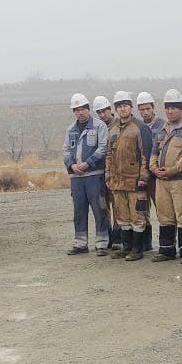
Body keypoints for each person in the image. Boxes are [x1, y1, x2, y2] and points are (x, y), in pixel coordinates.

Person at [148, 89, 182, 263]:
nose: (170, 111)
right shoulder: (162, 128)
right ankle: (166, 249)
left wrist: (172, 170)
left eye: (174, 108)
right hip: (161, 181)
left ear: (181, 109)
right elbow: (154, 152)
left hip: (181, 180)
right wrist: (154, 168)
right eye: (167, 108)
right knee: (164, 214)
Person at [106, 90, 154, 262]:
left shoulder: (140, 128)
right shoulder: (112, 129)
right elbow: (108, 155)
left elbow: (145, 155)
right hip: (117, 182)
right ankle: (126, 247)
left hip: (135, 182)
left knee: (138, 216)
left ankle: (137, 248)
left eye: (125, 105)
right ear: (116, 109)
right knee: (122, 217)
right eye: (119, 106)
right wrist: (108, 176)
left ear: (131, 107)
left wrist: (143, 177)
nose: (122, 109)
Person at [61, 93, 109, 256]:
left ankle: (102, 243)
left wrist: (87, 163)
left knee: (99, 209)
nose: (80, 113)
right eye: (76, 110)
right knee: (79, 210)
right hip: (76, 178)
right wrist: (72, 165)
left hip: (94, 175)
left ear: (88, 109)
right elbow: (66, 150)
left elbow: (103, 148)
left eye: (82, 109)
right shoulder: (70, 129)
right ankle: (80, 243)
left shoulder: (99, 126)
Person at [93, 95, 120, 253]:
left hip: (116, 173)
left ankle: (118, 238)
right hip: (100, 173)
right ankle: (107, 237)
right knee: (103, 207)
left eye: (104, 111)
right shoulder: (96, 127)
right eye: (99, 112)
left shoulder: (118, 125)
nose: (102, 115)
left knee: (118, 207)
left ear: (110, 110)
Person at [138, 91, 165, 252]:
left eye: (147, 108)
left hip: (157, 177)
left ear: (153, 107)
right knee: (142, 209)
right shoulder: (137, 127)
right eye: (141, 109)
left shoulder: (163, 125)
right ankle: (145, 243)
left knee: (162, 210)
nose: (145, 112)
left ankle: (166, 243)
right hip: (141, 176)